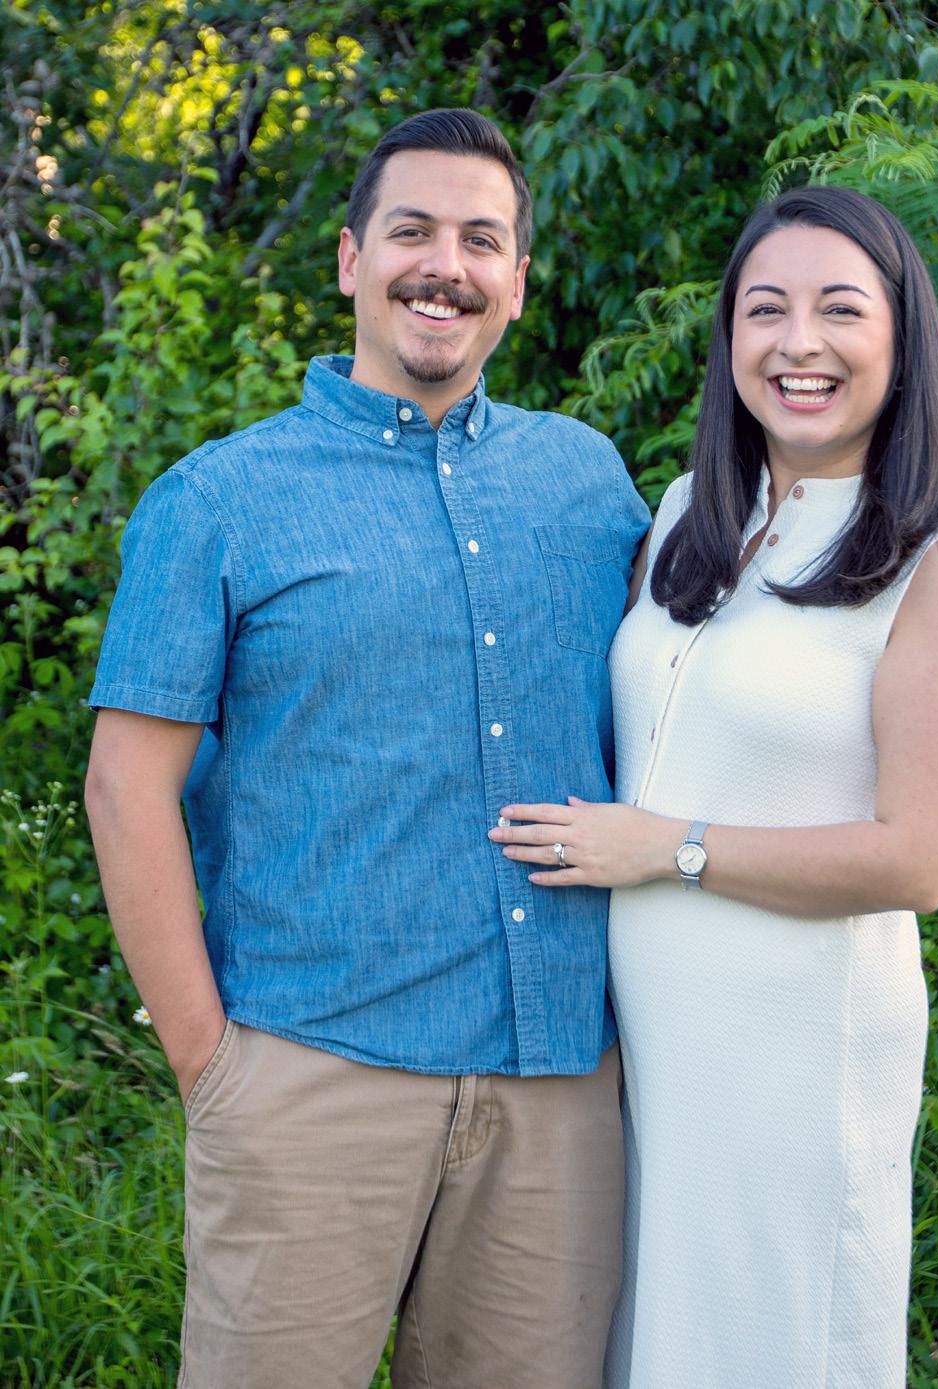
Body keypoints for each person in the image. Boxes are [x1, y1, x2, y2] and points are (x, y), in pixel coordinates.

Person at [84, 108, 649, 1389]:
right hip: (309, 1076)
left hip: (557, 1091)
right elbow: (126, 788)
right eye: (411, 232)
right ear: (350, 259)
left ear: (518, 279)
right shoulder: (219, 500)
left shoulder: (588, 484)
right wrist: (211, 1066)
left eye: (480, 240)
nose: (443, 266)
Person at [489, 186, 938, 1388]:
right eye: (764, 309)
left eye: (840, 309)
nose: (797, 344)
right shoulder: (692, 514)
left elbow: (918, 860)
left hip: (793, 1056)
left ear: (902, 340)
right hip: (653, 1053)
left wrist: (666, 845)